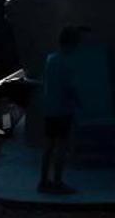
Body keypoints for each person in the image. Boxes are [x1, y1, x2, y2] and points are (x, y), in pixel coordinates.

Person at [37, 25, 87, 194]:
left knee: (49, 146)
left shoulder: (51, 59)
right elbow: (71, 88)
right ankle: (58, 182)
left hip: (49, 108)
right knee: (62, 147)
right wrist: (81, 104)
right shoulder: (68, 63)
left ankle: (43, 181)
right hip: (63, 110)